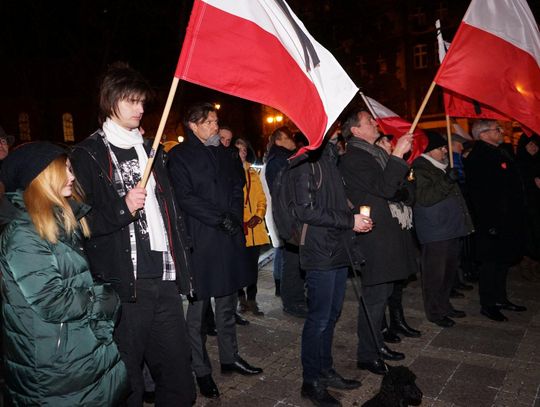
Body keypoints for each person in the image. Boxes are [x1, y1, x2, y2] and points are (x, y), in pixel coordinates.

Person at [70, 62, 196, 406]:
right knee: (127, 381)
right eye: (132, 101)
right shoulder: (87, 154)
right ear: (110, 101)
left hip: (164, 277)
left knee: (178, 375)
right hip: (125, 284)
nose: (140, 109)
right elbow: (81, 224)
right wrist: (123, 207)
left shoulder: (152, 150)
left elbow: (169, 211)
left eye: (142, 102)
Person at [0, 142, 128, 406]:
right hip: (52, 366)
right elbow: (51, 301)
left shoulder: (58, 223)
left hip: (73, 355)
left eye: (71, 168)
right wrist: (102, 298)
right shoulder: (23, 234)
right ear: (42, 178)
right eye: (64, 170)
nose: (72, 176)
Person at [167, 103, 262, 400]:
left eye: (216, 121)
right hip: (201, 241)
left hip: (229, 237)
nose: (215, 127)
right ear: (193, 125)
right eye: (210, 122)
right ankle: (201, 370)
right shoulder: (179, 157)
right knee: (197, 312)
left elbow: (237, 186)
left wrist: (233, 216)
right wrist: (218, 218)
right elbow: (185, 197)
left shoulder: (226, 153)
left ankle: (230, 357)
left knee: (227, 304)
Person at [288, 133, 371, 406]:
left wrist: (355, 215)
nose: (337, 134)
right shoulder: (305, 163)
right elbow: (304, 211)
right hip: (320, 251)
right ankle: (310, 381)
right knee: (319, 318)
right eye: (332, 131)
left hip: (337, 247)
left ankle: (325, 370)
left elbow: (335, 202)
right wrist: (350, 220)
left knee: (332, 315)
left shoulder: (331, 159)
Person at [339, 109, 416, 375]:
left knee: (383, 294)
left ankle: (377, 343)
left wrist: (395, 163)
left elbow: (397, 188)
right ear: (356, 131)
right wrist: (397, 156)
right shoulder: (353, 158)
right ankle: (367, 353)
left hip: (388, 232)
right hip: (374, 236)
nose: (375, 124)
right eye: (369, 122)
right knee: (373, 297)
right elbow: (384, 188)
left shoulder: (376, 154)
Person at [465, 120, 527, 321]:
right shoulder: (479, 156)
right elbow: (480, 194)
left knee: (502, 261)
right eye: (496, 129)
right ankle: (488, 303)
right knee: (490, 264)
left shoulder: (499, 151)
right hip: (491, 222)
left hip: (506, 220)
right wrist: (490, 222)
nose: (500, 132)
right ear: (483, 134)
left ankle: (501, 298)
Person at [412, 131, 474, 328]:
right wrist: (448, 180)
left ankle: (445, 304)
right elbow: (425, 198)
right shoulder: (420, 168)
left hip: (451, 228)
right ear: (429, 151)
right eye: (441, 148)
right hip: (435, 231)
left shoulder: (441, 167)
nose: (445, 150)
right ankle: (435, 312)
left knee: (448, 273)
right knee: (434, 275)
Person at [374, 134, 421, 343]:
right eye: (384, 142)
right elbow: (387, 191)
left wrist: (404, 194)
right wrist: (399, 193)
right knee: (385, 281)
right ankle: (382, 326)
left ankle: (397, 319)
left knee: (399, 280)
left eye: (389, 142)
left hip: (402, 223)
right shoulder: (377, 163)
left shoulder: (398, 163)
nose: (389, 145)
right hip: (387, 226)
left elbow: (409, 189)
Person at [265, 126, 308, 317]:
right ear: (278, 141)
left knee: (294, 258)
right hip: (289, 216)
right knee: (292, 260)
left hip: (289, 214)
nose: (292, 140)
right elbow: (284, 190)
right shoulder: (279, 161)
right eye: (288, 137)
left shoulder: (283, 158)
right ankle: (293, 302)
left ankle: (295, 298)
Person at [235, 138, 270, 316]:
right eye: (238, 150)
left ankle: (252, 300)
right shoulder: (228, 172)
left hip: (254, 228)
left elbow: (261, 198)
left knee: (252, 268)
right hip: (238, 228)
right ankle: (241, 300)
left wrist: (258, 215)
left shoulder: (253, 172)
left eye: (243, 150)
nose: (242, 153)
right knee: (238, 267)